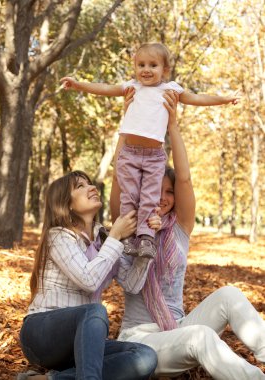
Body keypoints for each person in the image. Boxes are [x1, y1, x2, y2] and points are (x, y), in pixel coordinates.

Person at [112, 90, 265, 379]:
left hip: (177, 328)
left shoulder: (179, 228)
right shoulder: (129, 223)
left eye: (168, 192)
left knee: (230, 294)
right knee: (201, 336)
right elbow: (120, 174)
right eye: (155, 190)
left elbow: (184, 177)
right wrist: (129, 122)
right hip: (140, 341)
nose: (162, 198)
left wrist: (172, 124)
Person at [60, 42, 239, 260]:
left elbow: (197, 98)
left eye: (153, 65)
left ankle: (146, 237)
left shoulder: (169, 90)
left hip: (154, 156)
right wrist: (78, 85)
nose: (146, 69)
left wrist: (225, 99)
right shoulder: (132, 87)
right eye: (141, 64)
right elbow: (105, 88)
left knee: (149, 197)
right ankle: (127, 238)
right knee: (129, 195)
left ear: (165, 70)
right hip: (130, 152)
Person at [17, 170, 157, 380]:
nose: (92, 188)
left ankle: (48, 379)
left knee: (144, 356)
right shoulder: (58, 236)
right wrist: (117, 237)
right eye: (80, 186)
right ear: (66, 204)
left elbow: (132, 284)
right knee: (95, 311)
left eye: (90, 184)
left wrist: (147, 241)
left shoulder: (103, 237)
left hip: (81, 342)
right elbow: (89, 280)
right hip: (41, 335)